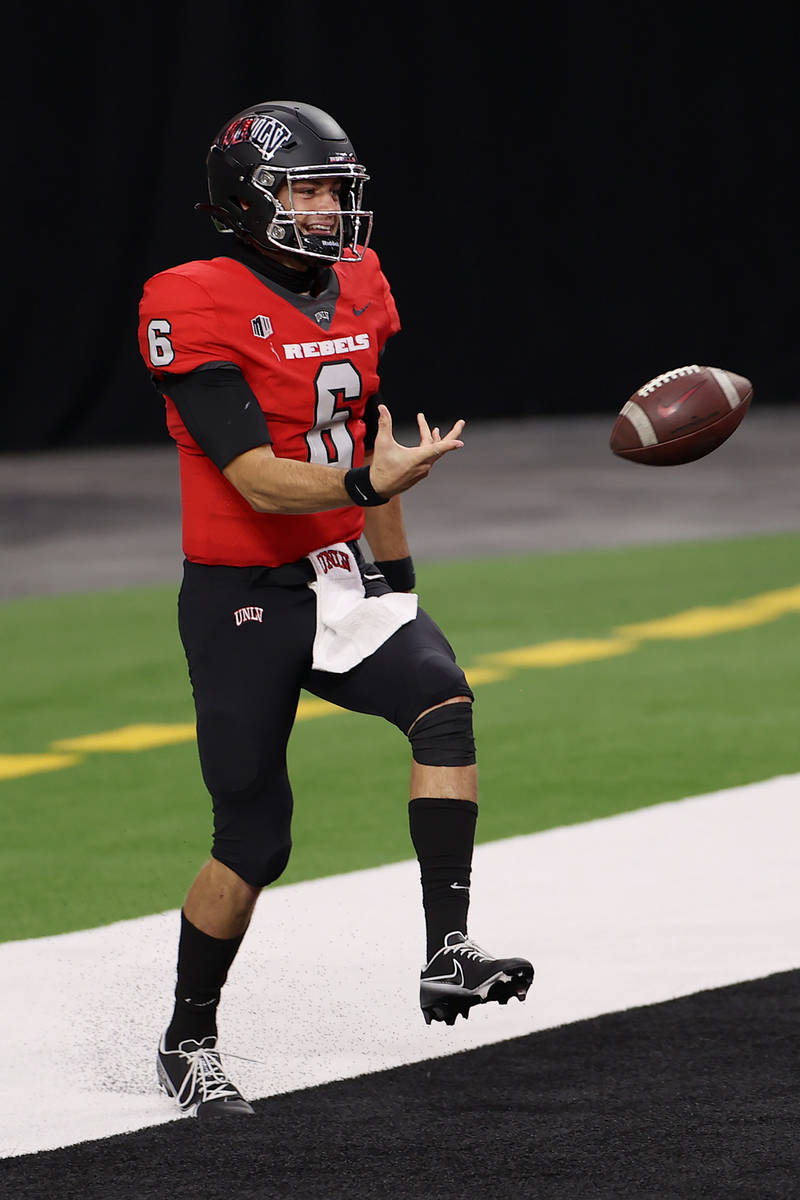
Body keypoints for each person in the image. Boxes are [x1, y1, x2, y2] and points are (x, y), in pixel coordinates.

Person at [137, 100, 533, 1119]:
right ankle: (188, 1039)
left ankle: (447, 949)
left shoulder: (358, 284)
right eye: (303, 191)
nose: (325, 211)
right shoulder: (192, 299)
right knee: (253, 837)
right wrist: (366, 486)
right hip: (242, 595)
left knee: (442, 699)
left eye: (332, 190)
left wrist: (396, 586)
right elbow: (260, 479)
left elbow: (372, 441)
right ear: (244, 202)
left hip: (339, 573)